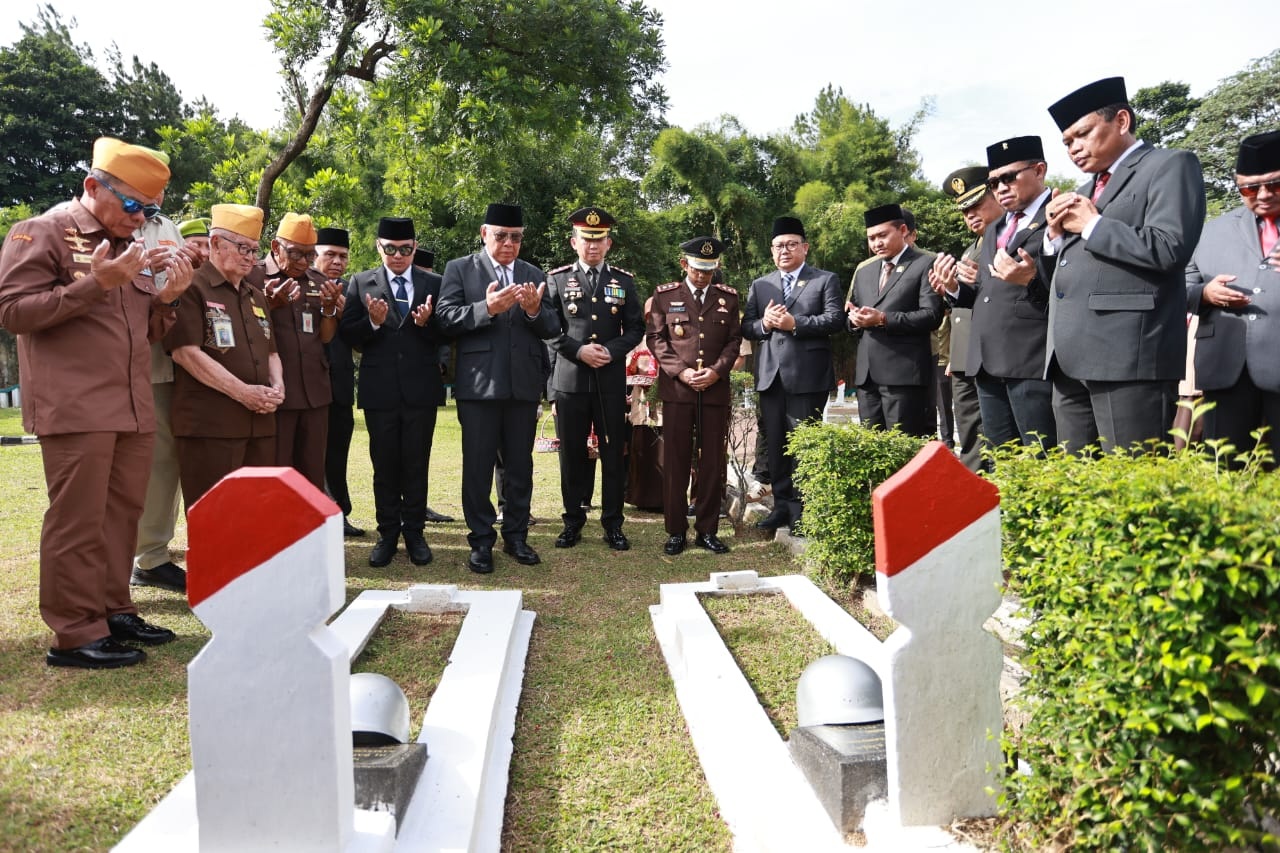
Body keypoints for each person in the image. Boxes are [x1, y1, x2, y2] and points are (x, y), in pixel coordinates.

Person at [0, 136, 193, 668]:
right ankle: (75, 632)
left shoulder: (130, 248)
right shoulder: (42, 232)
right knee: (78, 520)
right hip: (76, 405)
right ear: (92, 186)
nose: (139, 218)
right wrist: (96, 284)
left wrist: (168, 300)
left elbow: (144, 332)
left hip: (130, 404)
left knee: (121, 516)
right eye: (132, 205)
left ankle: (113, 610)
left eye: (148, 210)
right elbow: (13, 311)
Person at [1042, 76, 1206, 453]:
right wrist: (1052, 241)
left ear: (1121, 121)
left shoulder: (1169, 165)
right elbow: (1065, 277)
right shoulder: (1082, 193)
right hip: (1068, 359)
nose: (1074, 148)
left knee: (1135, 483)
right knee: (1078, 489)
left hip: (1128, 356)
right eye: (1067, 142)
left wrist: (1093, 225)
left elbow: (1169, 248)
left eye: (1082, 134)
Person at [436, 203, 559, 574]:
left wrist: (536, 311)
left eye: (516, 237)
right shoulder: (460, 269)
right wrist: (485, 308)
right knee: (477, 467)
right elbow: (444, 319)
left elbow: (552, 326)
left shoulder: (533, 273)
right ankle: (481, 541)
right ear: (483, 233)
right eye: (501, 235)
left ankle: (516, 536)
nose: (509, 243)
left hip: (522, 386)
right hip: (479, 387)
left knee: (520, 467)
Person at [339, 217, 446, 568]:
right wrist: (371, 321)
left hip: (421, 390)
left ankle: (414, 533)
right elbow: (349, 335)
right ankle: (387, 534)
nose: (397, 255)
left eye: (404, 249)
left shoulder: (434, 282)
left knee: (416, 464)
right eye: (390, 249)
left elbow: (447, 334)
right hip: (380, 391)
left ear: (414, 248)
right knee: (384, 466)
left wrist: (427, 322)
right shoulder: (360, 282)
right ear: (378, 247)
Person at [166, 203, 283, 508]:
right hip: (211, 427)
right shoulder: (190, 286)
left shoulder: (255, 295)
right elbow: (185, 354)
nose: (249, 256)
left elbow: (271, 351)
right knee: (215, 515)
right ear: (216, 243)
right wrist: (243, 393)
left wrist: (278, 386)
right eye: (242, 247)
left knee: (256, 511)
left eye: (254, 250)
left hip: (259, 423)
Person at [544, 206, 644, 551]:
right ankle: (572, 522)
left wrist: (612, 351)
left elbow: (635, 328)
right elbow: (548, 330)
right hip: (570, 381)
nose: (592, 246)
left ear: (608, 243)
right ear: (574, 243)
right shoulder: (556, 280)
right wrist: (578, 351)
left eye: (598, 240)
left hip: (610, 381)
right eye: (586, 240)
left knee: (613, 453)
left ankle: (613, 524)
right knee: (571, 455)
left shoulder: (624, 281)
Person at [948, 137, 1056, 451]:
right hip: (987, 361)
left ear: (1039, 170)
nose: (1001, 187)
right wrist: (956, 288)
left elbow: (1067, 291)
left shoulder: (1058, 214)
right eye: (994, 182)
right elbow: (989, 296)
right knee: (1003, 460)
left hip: (1030, 359)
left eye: (1009, 178)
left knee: (1040, 457)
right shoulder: (996, 229)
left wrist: (1032, 280)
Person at [742, 216, 844, 535]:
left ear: (805, 247)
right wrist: (766, 325)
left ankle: (805, 510)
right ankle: (782, 507)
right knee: (775, 445)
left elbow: (834, 320)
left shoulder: (824, 280)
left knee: (804, 445)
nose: (784, 251)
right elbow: (747, 326)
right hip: (770, 376)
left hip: (807, 376)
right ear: (771, 251)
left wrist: (794, 324)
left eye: (790, 245)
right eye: (777, 246)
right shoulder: (761, 285)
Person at [1186, 128, 1280, 462]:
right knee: (1224, 471)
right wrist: (1204, 293)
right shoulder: (1211, 230)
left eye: (1275, 184)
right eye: (1250, 188)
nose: (1264, 195)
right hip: (1226, 369)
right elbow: (1177, 284)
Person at [646, 237, 742, 555]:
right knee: (675, 461)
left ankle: (707, 530)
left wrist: (716, 371)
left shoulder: (728, 297)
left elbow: (733, 341)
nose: (703, 276)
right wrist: (681, 371)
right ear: (685, 264)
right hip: (678, 391)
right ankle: (676, 531)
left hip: (714, 391)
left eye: (709, 270)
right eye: (698, 269)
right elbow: (656, 339)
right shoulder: (665, 295)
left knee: (713, 462)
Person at [129, 175, 192, 596]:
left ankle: (152, 555)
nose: (159, 197)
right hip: (130, 357)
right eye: (149, 188)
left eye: (163, 189)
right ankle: (140, 557)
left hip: (168, 354)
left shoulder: (165, 225)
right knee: (139, 463)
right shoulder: (111, 224)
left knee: (167, 458)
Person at [845, 203, 944, 436]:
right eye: (871, 238)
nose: (876, 243)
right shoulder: (865, 271)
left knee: (904, 447)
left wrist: (883, 319)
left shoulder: (924, 263)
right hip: (867, 376)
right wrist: (853, 319)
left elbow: (931, 315)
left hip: (904, 374)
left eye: (882, 235)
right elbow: (850, 314)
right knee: (872, 449)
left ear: (902, 230)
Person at [261, 213, 342, 489]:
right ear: (275, 247)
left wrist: (330, 308)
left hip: (314, 391)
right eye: (295, 253)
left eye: (309, 255)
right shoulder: (255, 276)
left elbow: (325, 337)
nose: (302, 262)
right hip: (276, 391)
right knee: (276, 471)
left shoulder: (317, 280)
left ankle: (309, 532)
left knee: (311, 472)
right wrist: (270, 303)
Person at [930, 166, 1001, 471]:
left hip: (1000, 354)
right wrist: (950, 288)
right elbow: (962, 309)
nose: (970, 215)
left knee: (998, 437)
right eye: (964, 210)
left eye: (976, 205)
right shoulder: (970, 248)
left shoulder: (1011, 238)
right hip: (966, 358)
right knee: (970, 434)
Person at [315, 226, 365, 537]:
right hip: (307, 385)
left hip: (341, 385)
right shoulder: (300, 285)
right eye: (330, 254)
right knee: (310, 454)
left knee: (337, 453)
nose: (337, 261)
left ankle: (339, 513)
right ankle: (315, 514)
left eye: (343, 256)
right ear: (314, 256)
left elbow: (360, 343)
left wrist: (348, 316)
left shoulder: (351, 290)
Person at [412, 246, 456, 525]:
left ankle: (420, 505)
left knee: (420, 449)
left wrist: (443, 365)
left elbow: (446, 333)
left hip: (426, 376)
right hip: (394, 377)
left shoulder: (438, 287)